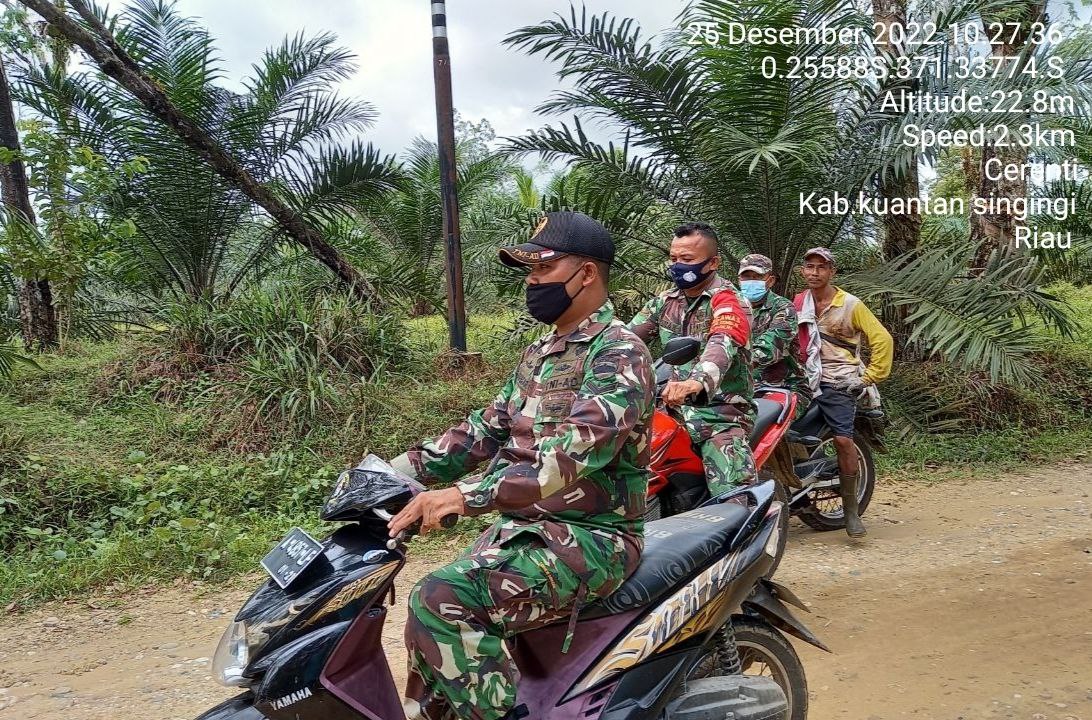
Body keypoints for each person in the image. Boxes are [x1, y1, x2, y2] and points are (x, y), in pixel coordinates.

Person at [387, 211, 655, 720]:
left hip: (594, 539)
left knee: (440, 600)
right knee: (432, 640)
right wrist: (392, 471)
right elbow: (484, 429)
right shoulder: (542, 350)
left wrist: (465, 497)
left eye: (543, 269)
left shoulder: (620, 353)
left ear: (587, 274)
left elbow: (565, 459)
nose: (531, 281)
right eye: (527, 271)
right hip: (527, 529)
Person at [627, 222, 755, 497]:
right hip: (671, 409)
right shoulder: (664, 301)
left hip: (720, 413)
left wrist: (697, 382)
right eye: (673, 259)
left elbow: (722, 342)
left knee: (733, 501)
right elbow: (625, 340)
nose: (677, 266)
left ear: (713, 262)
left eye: (687, 260)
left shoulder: (729, 301)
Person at [794, 247, 893, 538]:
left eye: (821, 268)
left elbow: (882, 339)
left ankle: (850, 509)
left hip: (838, 378)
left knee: (842, 438)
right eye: (809, 267)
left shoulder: (851, 304)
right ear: (803, 270)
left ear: (832, 272)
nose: (814, 272)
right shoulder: (799, 302)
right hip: (804, 377)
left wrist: (870, 376)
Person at [737, 253, 809, 416]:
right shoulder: (731, 308)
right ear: (739, 280)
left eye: (757, 277)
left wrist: (724, 362)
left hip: (782, 387)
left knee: (746, 426)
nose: (751, 281)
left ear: (770, 280)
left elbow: (770, 347)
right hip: (740, 386)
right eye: (746, 277)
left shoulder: (783, 308)